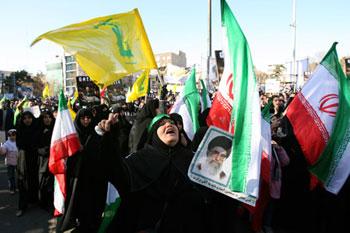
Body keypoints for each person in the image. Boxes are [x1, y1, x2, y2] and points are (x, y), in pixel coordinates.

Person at [98, 113, 214, 233]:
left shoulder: (196, 160)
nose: (169, 124)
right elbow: (114, 171)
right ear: (153, 134)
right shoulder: (138, 160)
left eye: (172, 123)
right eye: (162, 124)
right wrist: (108, 138)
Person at [37, 109, 55, 211]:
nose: (47, 119)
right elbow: (37, 146)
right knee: (43, 183)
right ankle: (43, 203)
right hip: (43, 162)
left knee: (52, 184)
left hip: (54, 161)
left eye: (49, 117)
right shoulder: (39, 130)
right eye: (45, 117)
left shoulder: (55, 130)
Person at [0, 129, 18, 194]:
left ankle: (20, 187)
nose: (12, 137)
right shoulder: (7, 143)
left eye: (13, 135)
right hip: (10, 162)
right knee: (11, 176)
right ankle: (12, 188)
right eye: (10, 135)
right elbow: (3, 152)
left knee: (20, 176)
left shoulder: (18, 142)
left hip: (18, 162)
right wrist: (1, 148)